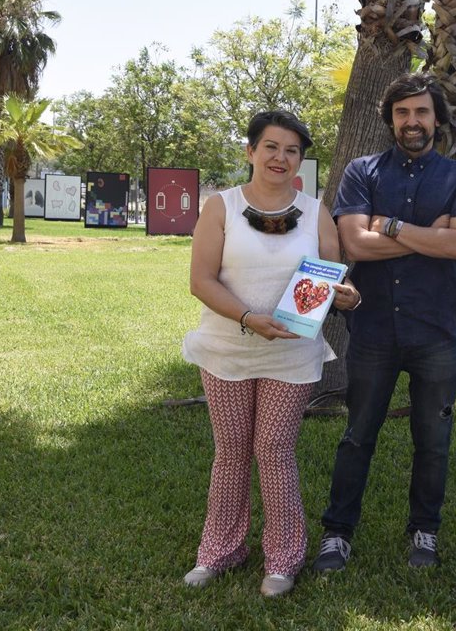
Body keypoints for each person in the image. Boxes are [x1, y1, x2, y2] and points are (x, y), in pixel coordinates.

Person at [181, 110, 361, 598]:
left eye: (292, 150)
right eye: (271, 147)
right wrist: (246, 318)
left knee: (275, 452)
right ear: (251, 152)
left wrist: (345, 295)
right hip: (226, 351)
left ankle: (282, 559)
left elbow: (332, 277)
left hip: (291, 356)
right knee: (231, 454)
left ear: (301, 160)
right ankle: (220, 550)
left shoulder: (318, 210)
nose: (280, 157)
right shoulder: (220, 207)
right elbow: (201, 280)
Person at [311, 74, 456, 572]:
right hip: (373, 330)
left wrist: (386, 224)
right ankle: (337, 534)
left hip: (435, 332)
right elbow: (356, 245)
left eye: (422, 112)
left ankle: (424, 533)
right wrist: (431, 233)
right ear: (389, 118)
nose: (413, 121)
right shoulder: (361, 172)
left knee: (433, 442)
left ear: (437, 119)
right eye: (403, 112)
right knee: (357, 435)